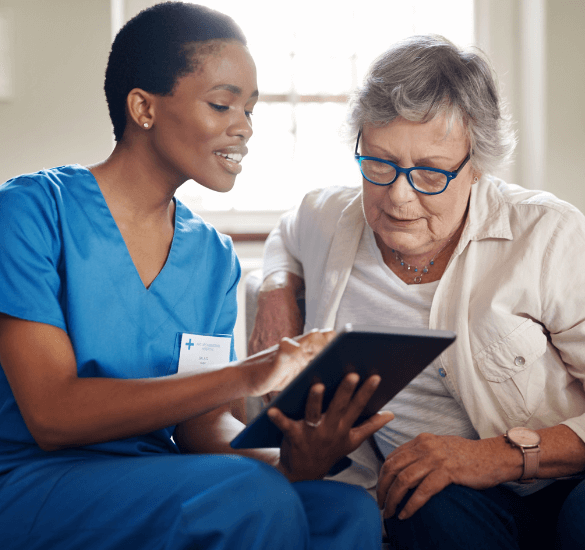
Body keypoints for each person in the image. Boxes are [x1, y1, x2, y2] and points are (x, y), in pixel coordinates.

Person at [0, 3, 393, 549]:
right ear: (143, 107)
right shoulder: (31, 212)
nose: (245, 129)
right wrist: (250, 374)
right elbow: (52, 413)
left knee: (346, 511)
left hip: (161, 476)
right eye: (222, 104)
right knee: (249, 495)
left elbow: (202, 425)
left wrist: (289, 459)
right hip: (37, 480)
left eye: (251, 110)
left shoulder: (211, 256)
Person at [249, 34, 585, 550]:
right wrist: (276, 292)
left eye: (429, 172)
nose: (399, 196)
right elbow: (286, 235)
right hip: (453, 502)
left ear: (476, 166)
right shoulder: (329, 218)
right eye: (380, 164)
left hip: (564, 484)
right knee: (418, 502)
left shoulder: (547, 235)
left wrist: (496, 455)